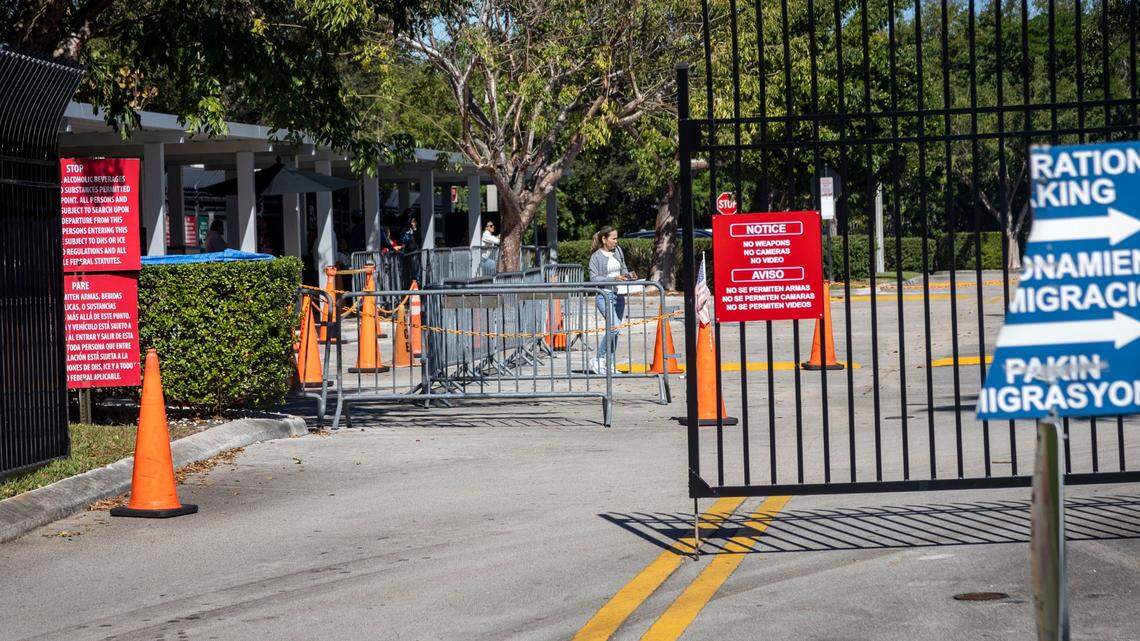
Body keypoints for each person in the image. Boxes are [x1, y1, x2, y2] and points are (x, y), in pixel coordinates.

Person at [588, 225, 637, 375]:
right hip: (604, 296)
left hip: (619, 296)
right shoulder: (596, 257)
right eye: (613, 238)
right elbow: (593, 278)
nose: (616, 241)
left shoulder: (618, 251)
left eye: (617, 238)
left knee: (614, 331)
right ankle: (598, 358)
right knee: (614, 327)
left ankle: (609, 363)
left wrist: (628, 275)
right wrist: (613, 279)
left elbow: (622, 269)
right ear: (604, 239)